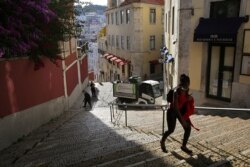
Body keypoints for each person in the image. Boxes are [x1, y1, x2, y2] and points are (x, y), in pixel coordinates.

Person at [160, 74, 198, 154]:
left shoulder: (186, 90)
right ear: (182, 83)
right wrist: (182, 120)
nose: (188, 85)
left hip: (181, 111)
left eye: (188, 84)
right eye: (187, 83)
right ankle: (162, 141)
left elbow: (184, 101)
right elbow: (176, 108)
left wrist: (189, 98)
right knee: (171, 130)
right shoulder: (176, 91)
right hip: (172, 112)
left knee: (188, 128)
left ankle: (183, 146)